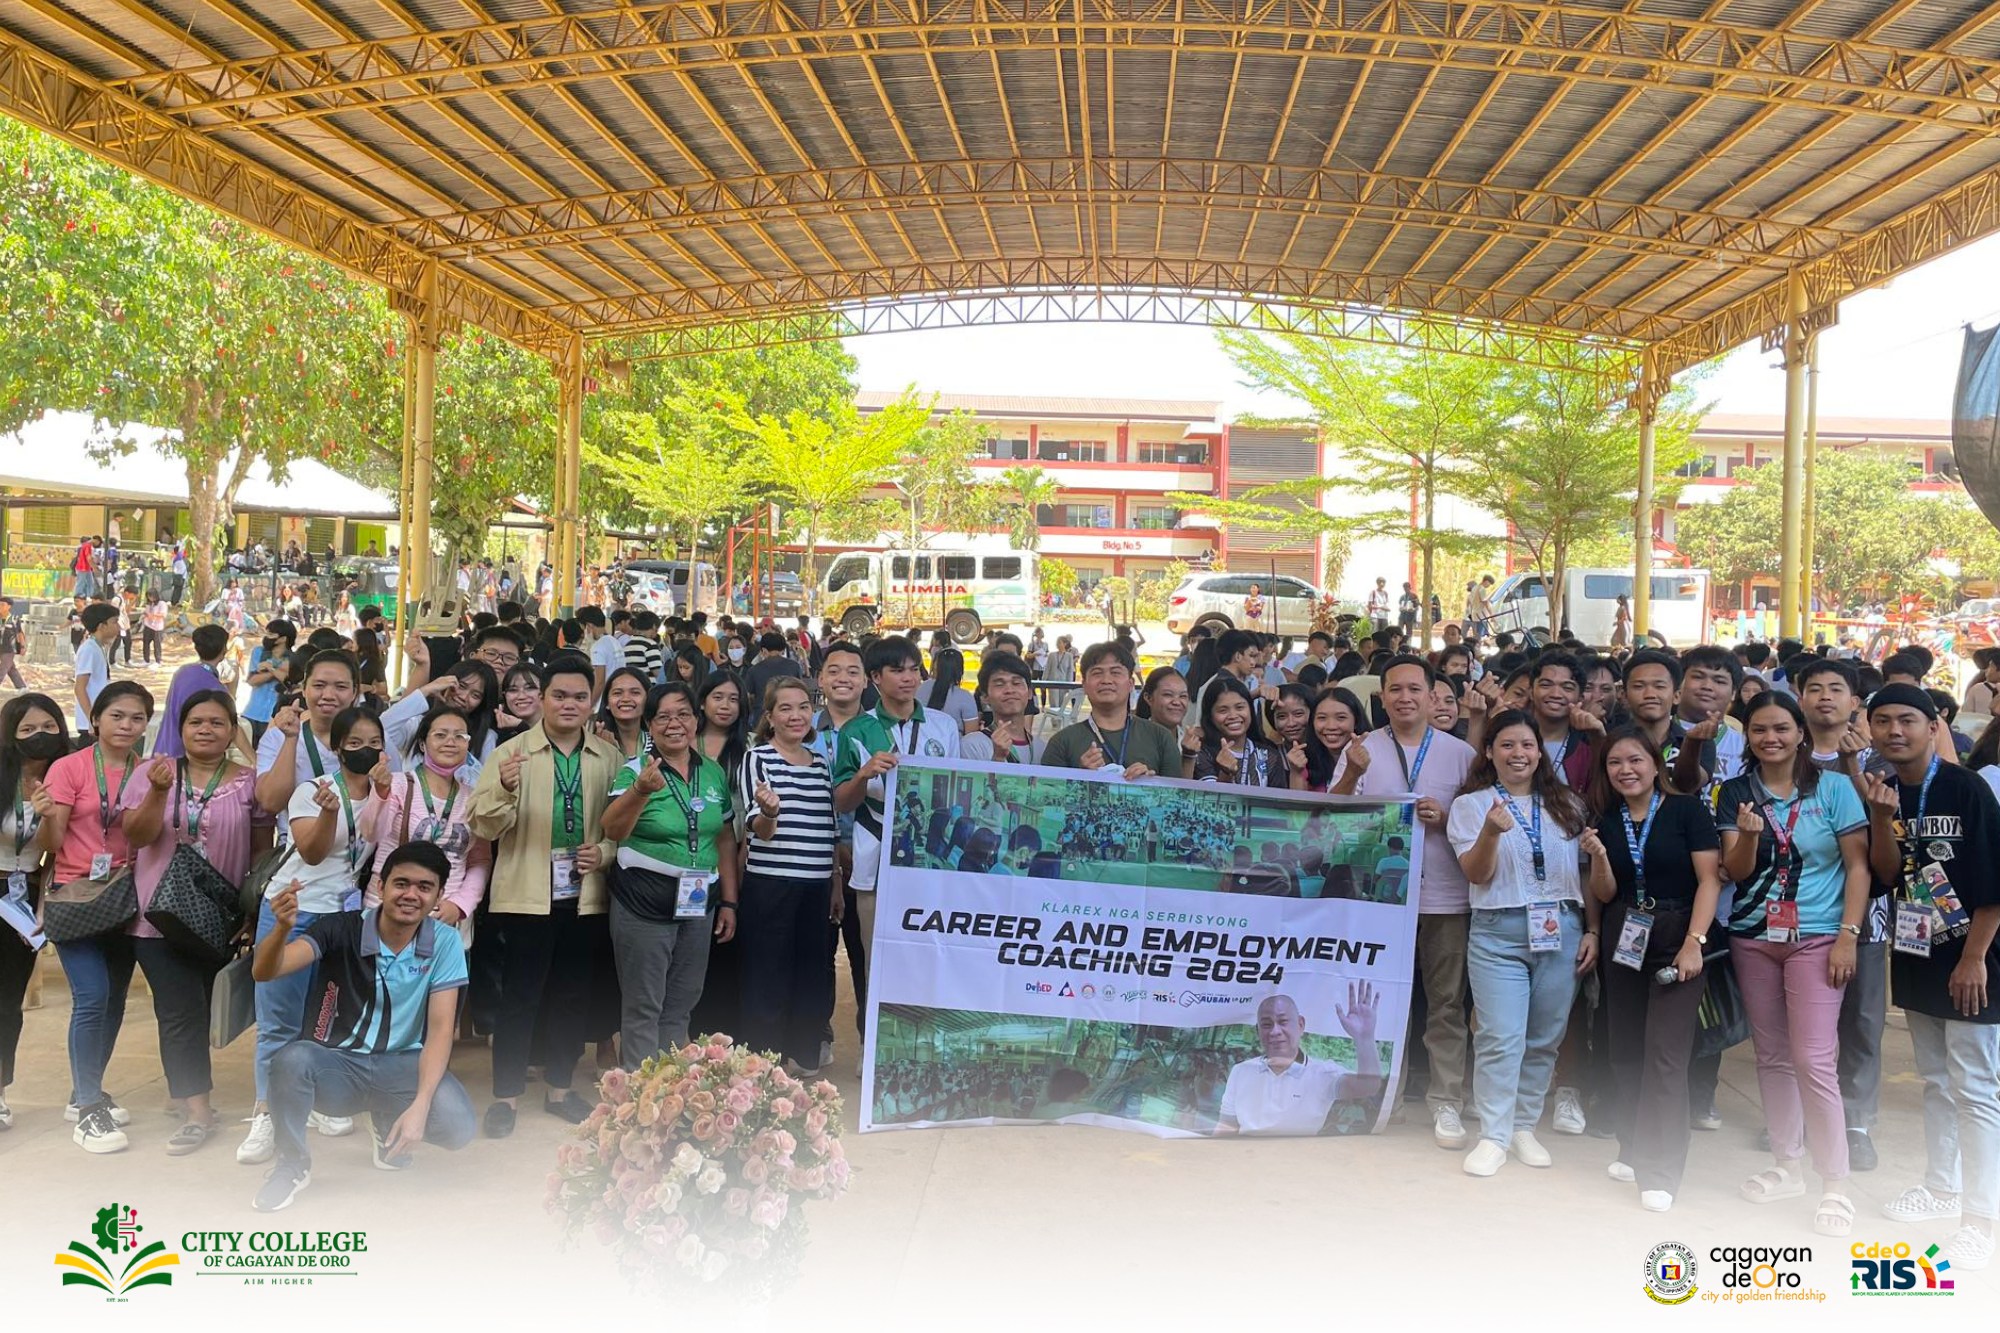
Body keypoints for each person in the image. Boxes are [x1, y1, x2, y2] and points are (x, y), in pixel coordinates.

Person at [1714, 693, 1869, 1236]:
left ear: (1801, 733)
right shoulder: (1734, 792)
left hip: (1819, 937)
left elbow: (1858, 867)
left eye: (1781, 728)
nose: (1770, 738)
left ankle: (1836, 1184)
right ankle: (1787, 1164)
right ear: (1748, 736)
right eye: (1759, 729)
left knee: (1813, 1058)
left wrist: (1849, 936)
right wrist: (1750, 838)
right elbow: (1733, 871)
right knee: (1773, 1056)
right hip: (1753, 936)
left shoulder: (1835, 789)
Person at [249, 843, 476, 1211]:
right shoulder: (339, 929)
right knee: (291, 1060)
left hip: (402, 1067)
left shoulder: (445, 942)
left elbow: (439, 1031)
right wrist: (280, 932)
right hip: (340, 1066)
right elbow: (265, 970)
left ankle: (388, 1119)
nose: (411, 895)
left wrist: (419, 1106)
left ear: (437, 896)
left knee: (457, 1126)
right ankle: (292, 1165)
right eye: (401, 883)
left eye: (424, 887)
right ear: (381, 886)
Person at [1864, 684, 2000, 1269]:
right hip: (1918, 952)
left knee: (1976, 1088)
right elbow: (1891, 876)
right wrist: (1880, 817)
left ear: (1933, 723)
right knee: (1937, 1081)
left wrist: (1974, 959)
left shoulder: (1966, 788)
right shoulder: (1884, 789)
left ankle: (1983, 1218)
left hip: (1973, 957)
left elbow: (1995, 886)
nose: (1894, 731)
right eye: (1882, 721)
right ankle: (1942, 1188)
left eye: (1907, 720)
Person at [467, 655, 622, 1138]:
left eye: (579, 696)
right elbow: (481, 824)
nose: (569, 704)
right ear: (541, 699)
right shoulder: (511, 755)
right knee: (520, 998)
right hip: (525, 896)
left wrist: (606, 852)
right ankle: (506, 1097)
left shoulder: (608, 757)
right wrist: (506, 790)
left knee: (571, 996)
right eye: (559, 695)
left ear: (590, 702)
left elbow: (624, 826)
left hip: (585, 895)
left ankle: (559, 1088)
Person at [1448, 708, 1603, 1176]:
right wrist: (1492, 832)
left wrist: (1592, 929)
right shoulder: (1471, 806)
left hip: (1562, 927)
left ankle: (1523, 1127)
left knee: (1544, 1037)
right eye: (1508, 745)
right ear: (1490, 752)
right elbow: (1477, 874)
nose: (1519, 754)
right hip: (1498, 930)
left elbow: (1586, 875)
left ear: (1541, 752)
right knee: (1500, 1036)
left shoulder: (1567, 806)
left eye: (1528, 745)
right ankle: (1493, 1134)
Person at [1331, 655, 1477, 1148]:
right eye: (1395, 689)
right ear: (1382, 696)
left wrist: (1447, 818)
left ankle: (1446, 1103)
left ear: (1435, 696)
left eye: (1416, 689)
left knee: (1446, 1006)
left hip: (1445, 898)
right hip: (1380, 902)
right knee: (1384, 1003)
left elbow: (1480, 823)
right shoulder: (1362, 749)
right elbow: (1331, 820)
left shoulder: (1460, 754)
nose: (1405, 698)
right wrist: (1352, 776)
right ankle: (1384, 1099)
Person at [235, 706, 385, 1165]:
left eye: (373, 742)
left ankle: (322, 1101)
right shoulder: (312, 791)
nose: (365, 750)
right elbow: (314, 853)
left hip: (344, 922)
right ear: (336, 749)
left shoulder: (388, 793)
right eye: (354, 743)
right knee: (279, 1021)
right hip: (292, 912)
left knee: (328, 1018)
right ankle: (267, 1113)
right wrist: (329, 814)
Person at [1587, 730, 1722, 1213]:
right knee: (1625, 1047)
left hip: (1677, 929)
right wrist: (1600, 857)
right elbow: (1603, 893)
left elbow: (1710, 879)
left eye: (1636, 760)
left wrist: (1694, 943)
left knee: (1666, 1054)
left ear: (1655, 763)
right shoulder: (1606, 819)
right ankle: (1631, 1145)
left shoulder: (1687, 810)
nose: (1626, 769)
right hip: (1625, 930)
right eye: (1615, 763)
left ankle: (1661, 1169)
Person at [118, 691, 259, 1155]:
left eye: (217, 723)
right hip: (156, 916)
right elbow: (136, 837)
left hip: (217, 917)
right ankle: (199, 1111)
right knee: (179, 1011)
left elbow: (260, 848)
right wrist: (159, 792)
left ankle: (184, 1089)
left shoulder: (247, 783)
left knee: (200, 1007)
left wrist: (252, 912)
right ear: (180, 728)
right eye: (196, 721)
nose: (206, 730)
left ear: (232, 730)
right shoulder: (153, 773)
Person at [600, 682, 739, 1066]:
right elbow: (612, 830)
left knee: (681, 1004)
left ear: (696, 720)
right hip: (643, 902)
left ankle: (673, 1093)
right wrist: (641, 791)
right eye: (662, 716)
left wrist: (729, 900)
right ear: (649, 725)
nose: (674, 723)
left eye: (683, 714)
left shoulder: (710, 772)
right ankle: (639, 1095)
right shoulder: (634, 771)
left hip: (698, 904)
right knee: (644, 1005)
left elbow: (725, 839)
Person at [832, 637, 962, 1000]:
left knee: (931, 958)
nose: (908, 677)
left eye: (914, 669)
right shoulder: (857, 731)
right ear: (876, 677)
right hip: (875, 856)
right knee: (878, 960)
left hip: (930, 863)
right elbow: (842, 802)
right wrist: (863, 774)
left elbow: (954, 794)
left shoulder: (943, 726)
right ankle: (872, 1054)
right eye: (896, 670)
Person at [737, 677, 839, 1074]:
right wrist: (770, 811)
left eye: (802, 707)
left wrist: (835, 883)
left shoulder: (820, 764)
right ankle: (762, 1063)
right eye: (785, 708)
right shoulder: (758, 758)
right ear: (769, 717)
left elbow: (830, 828)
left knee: (811, 971)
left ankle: (802, 1056)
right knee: (767, 974)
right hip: (771, 885)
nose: (796, 715)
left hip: (816, 885)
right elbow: (757, 829)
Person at [0, 694, 65, 1129]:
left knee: (7, 1002)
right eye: (27, 729)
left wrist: (43, 909)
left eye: (48, 727)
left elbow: (60, 852)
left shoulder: (67, 777)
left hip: (27, 895)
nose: (38, 736)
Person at [1213, 990, 1384, 1136]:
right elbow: (1227, 1125)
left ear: (1300, 1024)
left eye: (1283, 1022)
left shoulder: (1324, 1074)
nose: (1275, 1031)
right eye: (1266, 1024)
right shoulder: (1241, 1071)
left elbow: (1369, 1086)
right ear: (1258, 1031)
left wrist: (1365, 1039)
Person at [254, 651, 361, 815]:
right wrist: (291, 739)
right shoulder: (277, 737)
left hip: (359, 839)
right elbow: (270, 803)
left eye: (341, 687)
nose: (328, 695)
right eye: (319, 686)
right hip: (296, 839)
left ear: (354, 692)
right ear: (303, 689)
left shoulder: (372, 739)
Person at [1192, 676, 1285, 787]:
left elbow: (1277, 801)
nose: (1233, 716)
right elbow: (1209, 800)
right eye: (1223, 710)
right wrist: (1225, 774)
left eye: (1240, 707)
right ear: (1210, 716)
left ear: (1250, 709)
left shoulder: (1269, 755)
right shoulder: (1201, 753)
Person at [961, 654, 1044, 764]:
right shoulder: (972, 745)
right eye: (1000, 684)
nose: (1009, 690)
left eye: (1016, 683)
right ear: (985, 697)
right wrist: (998, 759)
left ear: (1029, 693)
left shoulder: (1042, 748)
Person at [1300, 687, 1367, 793]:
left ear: (1356, 721)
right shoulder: (1304, 760)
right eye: (1322, 718)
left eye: (1341, 717)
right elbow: (1298, 808)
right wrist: (1296, 772)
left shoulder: (1373, 752)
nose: (1331, 726)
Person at [243, 619, 296, 747]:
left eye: (271, 634)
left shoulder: (295, 658)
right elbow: (253, 680)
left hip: (275, 718)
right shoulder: (259, 652)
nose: (267, 637)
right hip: (252, 713)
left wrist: (270, 668)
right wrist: (278, 671)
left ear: (283, 639)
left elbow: (289, 681)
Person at [72, 603, 119, 741]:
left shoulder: (99, 647)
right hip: (91, 726)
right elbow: (80, 687)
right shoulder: (89, 649)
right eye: (114, 622)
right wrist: (91, 718)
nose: (118, 626)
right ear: (101, 626)